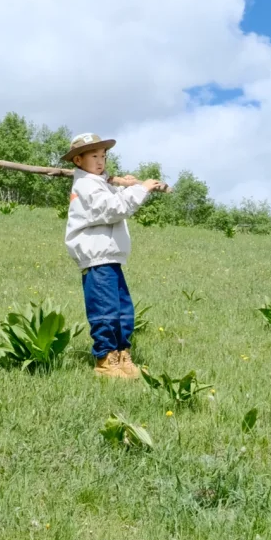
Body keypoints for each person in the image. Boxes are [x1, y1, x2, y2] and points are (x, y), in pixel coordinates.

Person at [62, 132, 167, 379]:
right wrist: (140, 189)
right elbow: (113, 208)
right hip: (97, 257)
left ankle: (122, 354)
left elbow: (110, 194)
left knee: (123, 310)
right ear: (78, 161)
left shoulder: (99, 183)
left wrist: (121, 183)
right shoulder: (86, 185)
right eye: (94, 156)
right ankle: (105, 359)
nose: (100, 161)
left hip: (110, 257)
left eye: (103, 156)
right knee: (105, 310)